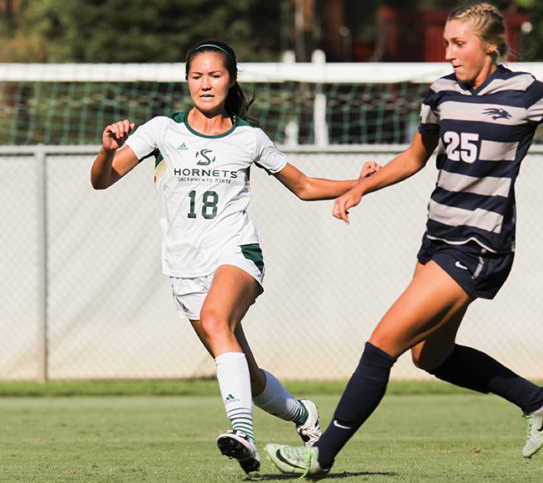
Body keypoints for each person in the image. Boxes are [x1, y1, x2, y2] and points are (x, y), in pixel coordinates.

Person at [266, 2, 543, 478]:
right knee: (429, 355)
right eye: (447, 43)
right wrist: (359, 187)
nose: (448, 52)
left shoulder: (525, 92)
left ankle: (320, 453)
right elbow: (414, 157)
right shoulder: (441, 91)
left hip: (479, 244)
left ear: (490, 46)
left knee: (382, 343)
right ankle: (537, 400)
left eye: (459, 43)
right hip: (436, 237)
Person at [90, 40, 379, 476]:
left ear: (232, 79)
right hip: (184, 269)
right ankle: (304, 415)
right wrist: (107, 149)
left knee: (214, 319)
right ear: (187, 80)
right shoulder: (161, 131)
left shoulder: (249, 138)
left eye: (215, 75)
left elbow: (302, 186)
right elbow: (102, 181)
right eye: (196, 76)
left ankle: (242, 434)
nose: (205, 84)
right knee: (248, 373)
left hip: (236, 252)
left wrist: (356, 185)